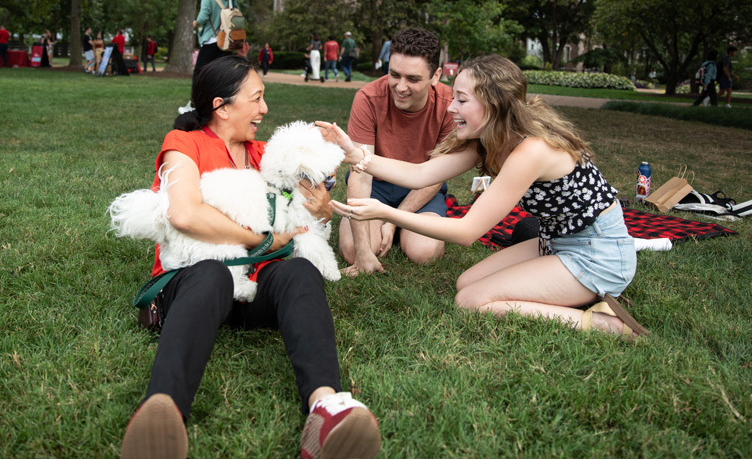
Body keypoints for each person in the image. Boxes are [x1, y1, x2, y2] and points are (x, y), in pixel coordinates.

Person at [117, 56, 381, 459]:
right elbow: (185, 214)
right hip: (196, 282)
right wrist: (261, 240)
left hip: (256, 288)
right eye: (256, 99)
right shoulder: (183, 144)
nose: (265, 109)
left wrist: (322, 205)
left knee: (299, 272)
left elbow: (312, 208)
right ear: (222, 106)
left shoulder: (264, 155)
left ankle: (325, 408)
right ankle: (163, 413)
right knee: (212, 276)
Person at [322, 53, 647, 338]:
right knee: (467, 283)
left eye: (462, 100)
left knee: (471, 301)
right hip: (556, 243)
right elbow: (421, 174)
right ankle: (575, 293)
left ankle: (605, 324)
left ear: (493, 105)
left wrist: (387, 213)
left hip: (597, 256)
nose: (450, 107)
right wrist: (356, 154)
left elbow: (467, 232)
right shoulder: (491, 139)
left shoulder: (531, 150)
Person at [337, 27, 454, 276]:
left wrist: (393, 220)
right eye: (394, 74)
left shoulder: (450, 105)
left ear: (435, 76)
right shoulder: (368, 98)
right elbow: (360, 173)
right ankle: (381, 229)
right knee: (352, 250)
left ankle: (399, 229)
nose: (400, 87)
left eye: (413, 79)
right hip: (375, 188)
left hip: (421, 191)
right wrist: (362, 251)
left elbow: (436, 174)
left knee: (425, 253)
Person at [192, 0, 234, 91]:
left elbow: (203, 16)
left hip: (211, 40)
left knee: (200, 73)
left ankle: (196, 105)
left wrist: (196, 23)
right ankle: (220, 104)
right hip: (226, 41)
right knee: (221, 75)